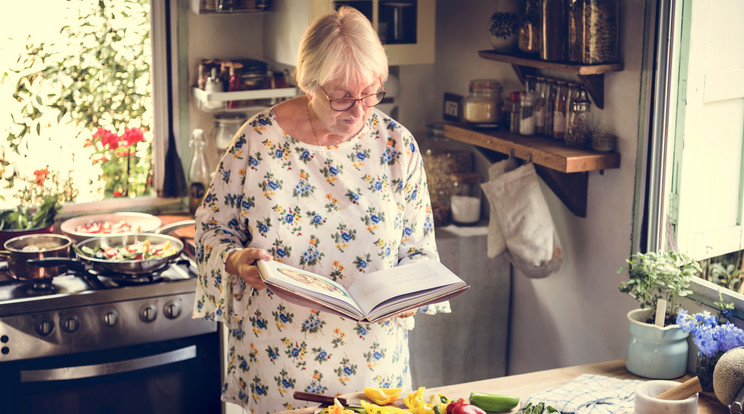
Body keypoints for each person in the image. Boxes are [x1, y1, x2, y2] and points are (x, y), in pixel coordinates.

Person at [193, 6, 448, 413]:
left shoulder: (396, 144)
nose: (360, 111)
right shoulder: (257, 142)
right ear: (310, 83)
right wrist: (237, 260)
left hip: (374, 371)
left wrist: (413, 290)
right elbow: (210, 231)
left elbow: (419, 249)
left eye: (371, 93)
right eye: (343, 97)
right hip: (280, 366)